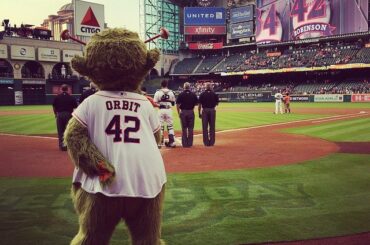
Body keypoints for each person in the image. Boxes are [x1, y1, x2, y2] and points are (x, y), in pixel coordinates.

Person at [52, 84, 78, 151]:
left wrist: (55, 114)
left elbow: (54, 107)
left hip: (59, 115)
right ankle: (68, 146)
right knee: (68, 131)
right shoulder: (71, 97)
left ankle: (62, 146)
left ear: (61, 89)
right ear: (67, 89)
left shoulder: (57, 97)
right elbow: (75, 107)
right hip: (68, 115)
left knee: (60, 131)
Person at [153, 80, 177, 148]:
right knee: (170, 126)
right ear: (167, 84)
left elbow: (155, 102)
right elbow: (173, 103)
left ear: (161, 85)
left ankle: (159, 143)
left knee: (160, 126)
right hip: (168, 110)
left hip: (161, 110)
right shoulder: (171, 92)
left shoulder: (158, 92)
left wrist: (159, 105)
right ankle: (172, 142)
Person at [176, 82, 198, 148]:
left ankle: (185, 144)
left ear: (184, 87)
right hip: (191, 112)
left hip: (183, 112)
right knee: (191, 128)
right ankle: (190, 144)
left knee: (184, 128)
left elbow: (177, 105)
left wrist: (178, 112)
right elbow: (196, 104)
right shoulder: (193, 94)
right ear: (189, 87)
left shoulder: (181, 94)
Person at [198, 82, 219, 147]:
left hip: (205, 111)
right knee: (212, 127)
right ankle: (212, 142)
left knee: (205, 127)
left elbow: (199, 105)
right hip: (212, 110)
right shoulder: (214, 94)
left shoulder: (202, 94)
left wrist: (199, 113)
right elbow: (217, 103)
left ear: (205, 87)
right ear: (211, 87)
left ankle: (206, 143)